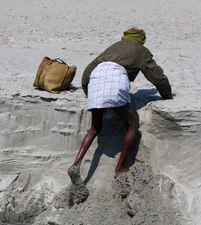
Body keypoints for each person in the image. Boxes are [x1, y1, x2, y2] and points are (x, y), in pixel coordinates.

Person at [68, 29, 174, 185]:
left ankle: (75, 164)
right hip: (114, 79)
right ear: (142, 40)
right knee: (133, 125)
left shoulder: (114, 46)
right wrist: (167, 94)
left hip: (95, 80)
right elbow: (156, 75)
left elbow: (90, 68)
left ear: (125, 37)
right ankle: (120, 167)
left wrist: (88, 91)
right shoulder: (142, 51)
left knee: (95, 128)